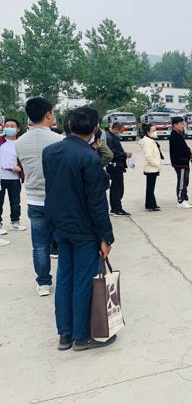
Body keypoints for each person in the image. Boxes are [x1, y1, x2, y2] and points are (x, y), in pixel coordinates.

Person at [43, 106, 116, 351]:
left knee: (65, 277)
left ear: (69, 125)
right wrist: (105, 236)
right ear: (95, 129)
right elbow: (97, 202)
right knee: (84, 280)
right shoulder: (89, 157)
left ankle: (65, 334)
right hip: (84, 228)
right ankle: (82, 336)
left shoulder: (50, 152)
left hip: (60, 226)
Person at [15, 97, 64, 297]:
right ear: (48, 114)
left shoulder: (19, 142)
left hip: (34, 199)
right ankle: (65, 279)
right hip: (57, 199)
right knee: (63, 242)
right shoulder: (59, 140)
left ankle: (43, 283)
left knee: (40, 245)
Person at [0, 119, 26, 241]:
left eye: (12, 126)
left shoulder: (21, 144)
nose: (9, 128)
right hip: (1, 177)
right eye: (7, 126)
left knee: (15, 202)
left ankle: (15, 222)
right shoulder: (0, 141)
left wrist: (20, 167)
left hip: (14, 177)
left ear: (18, 129)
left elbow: (26, 159)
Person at [105, 122, 132, 216]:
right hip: (114, 167)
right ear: (116, 129)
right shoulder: (109, 138)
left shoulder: (112, 137)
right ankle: (117, 209)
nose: (121, 133)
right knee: (117, 189)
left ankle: (115, 208)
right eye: (121, 131)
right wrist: (124, 154)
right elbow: (112, 153)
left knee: (116, 189)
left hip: (117, 166)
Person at [169, 116, 192, 209]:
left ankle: (185, 197)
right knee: (181, 182)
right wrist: (190, 155)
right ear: (175, 125)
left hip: (184, 162)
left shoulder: (179, 134)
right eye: (181, 124)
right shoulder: (174, 136)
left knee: (185, 181)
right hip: (180, 163)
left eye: (183, 124)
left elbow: (185, 147)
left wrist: (190, 152)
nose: (183, 126)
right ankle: (180, 200)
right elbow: (181, 150)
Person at [139, 124, 162, 211]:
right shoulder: (148, 142)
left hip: (152, 168)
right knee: (150, 188)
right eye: (153, 130)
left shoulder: (150, 140)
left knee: (150, 187)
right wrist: (156, 164)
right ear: (148, 132)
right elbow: (148, 156)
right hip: (151, 168)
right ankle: (151, 205)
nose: (155, 132)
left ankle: (150, 204)